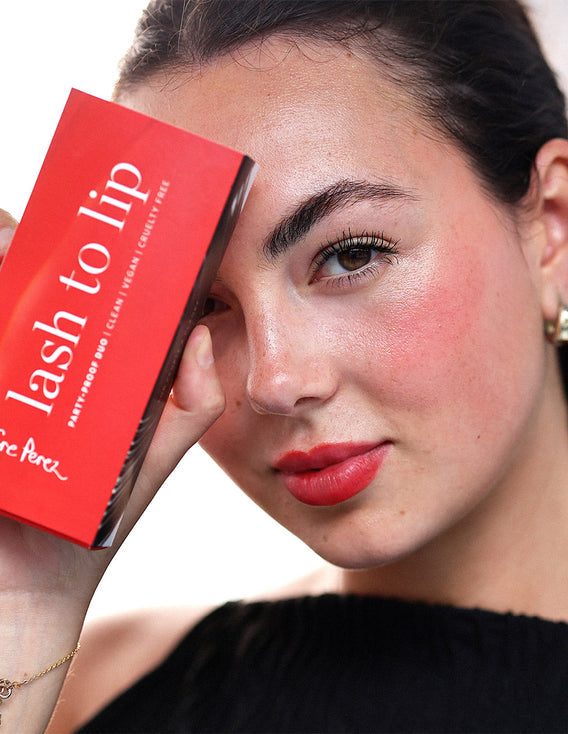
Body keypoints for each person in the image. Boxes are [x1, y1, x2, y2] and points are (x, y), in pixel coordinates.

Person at [1, 0, 568, 730]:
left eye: (351, 255)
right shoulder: (87, 692)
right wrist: (22, 606)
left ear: (553, 224)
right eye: (201, 305)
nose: (273, 382)